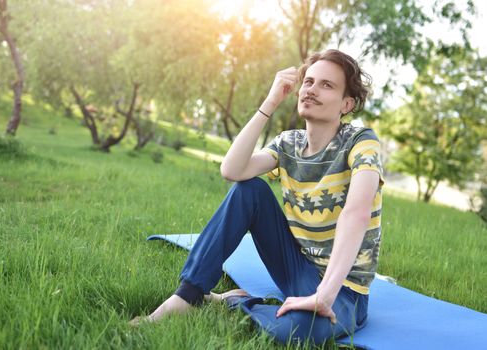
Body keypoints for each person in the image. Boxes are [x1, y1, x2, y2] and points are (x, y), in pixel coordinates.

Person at [130, 49, 384, 345]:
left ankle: (232, 302)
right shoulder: (289, 144)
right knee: (249, 189)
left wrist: (323, 296)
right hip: (296, 268)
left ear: (346, 103)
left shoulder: (361, 142)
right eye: (309, 82)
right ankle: (187, 296)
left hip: (344, 291)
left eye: (326, 85)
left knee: (294, 332)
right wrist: (271, 101)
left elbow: (357, 213)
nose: (312, 90)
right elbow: (233, 170)